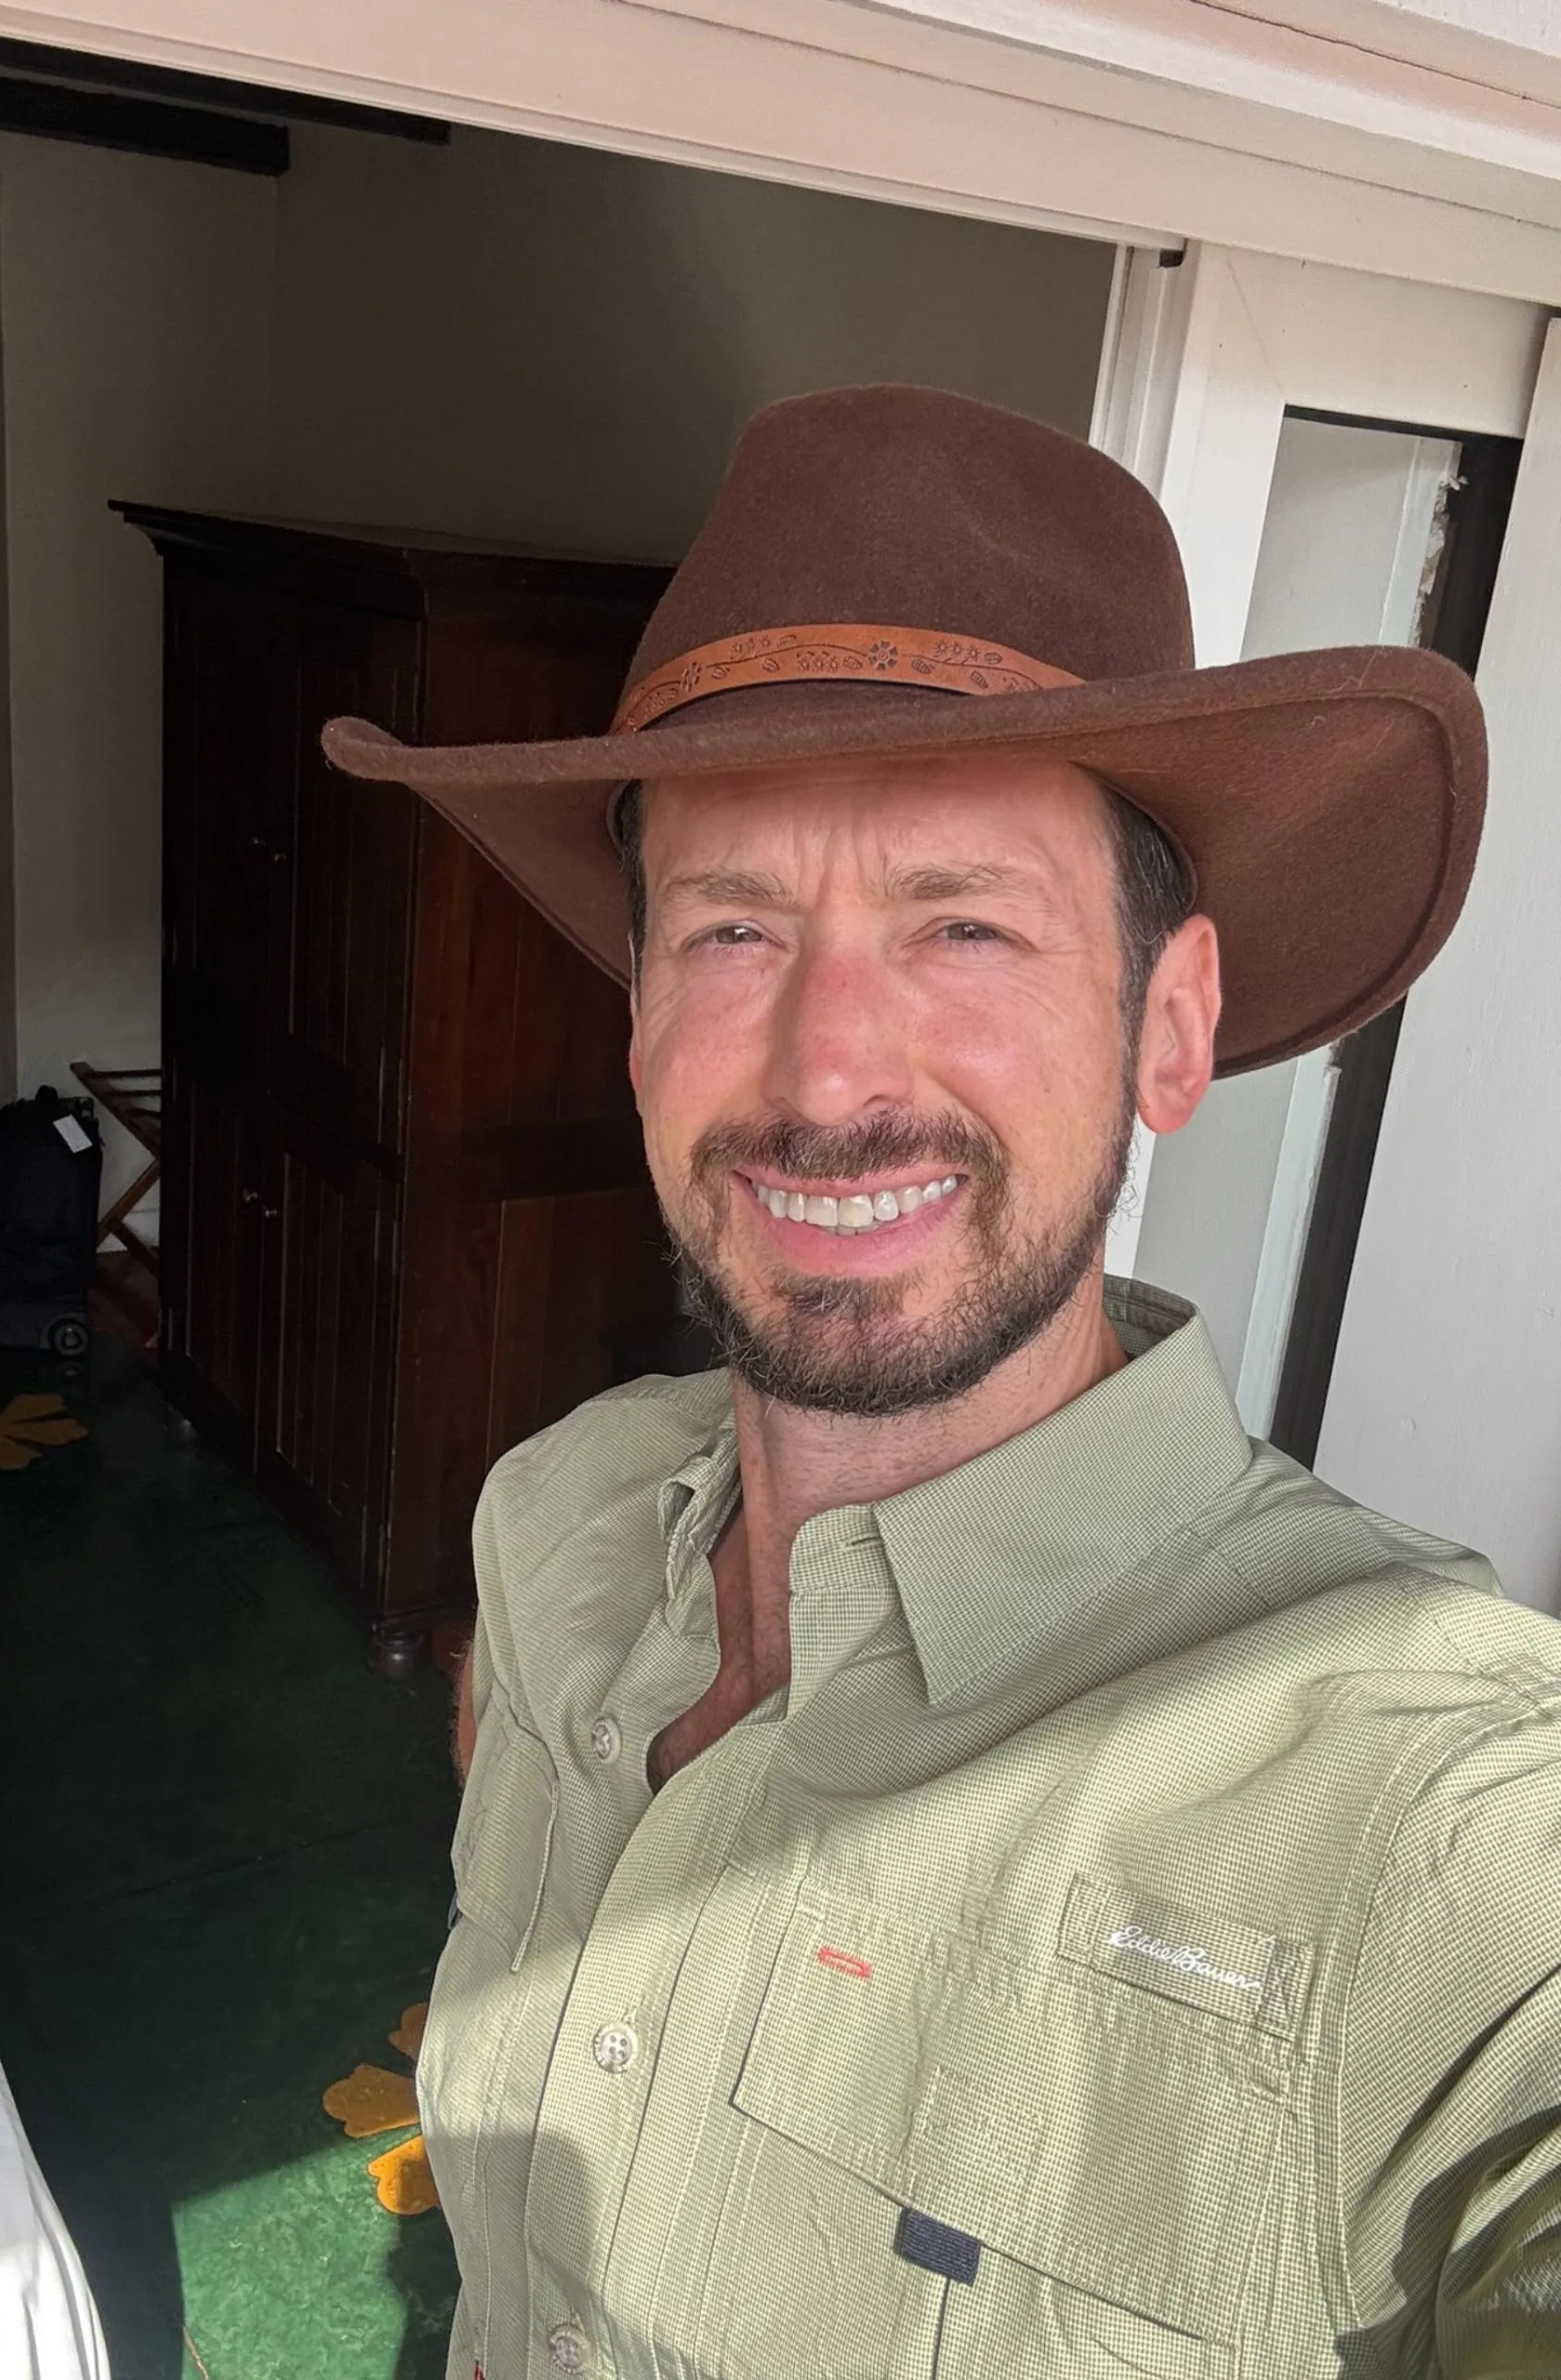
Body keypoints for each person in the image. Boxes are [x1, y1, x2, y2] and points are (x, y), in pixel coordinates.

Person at [324, 387, 1560, 2378]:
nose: (824, 1073)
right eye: (733, 927)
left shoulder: (1432, 1802)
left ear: (1170, 1030)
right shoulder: (553, 1521)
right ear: (636, 1016)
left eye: (962, 922)